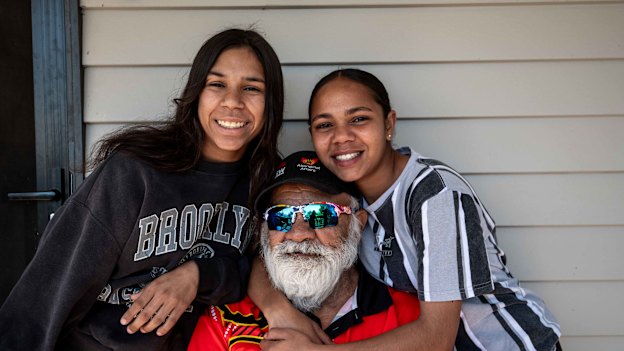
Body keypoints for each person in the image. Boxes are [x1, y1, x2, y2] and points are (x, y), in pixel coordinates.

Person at [0, 28, 284, 350]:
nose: (233, 102)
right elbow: (51, 286)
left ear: (271, 102)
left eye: (251, 88)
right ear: (196, 93)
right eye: (216, 84)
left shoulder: (268, 182)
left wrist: (198, 275)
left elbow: (256, 272)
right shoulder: (135, 171)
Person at [252, 69, 562, 351]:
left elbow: (436, 338)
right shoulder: (350, 200)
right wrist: (279, 310)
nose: (342, 136)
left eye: (358, 119)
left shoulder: (435, 194)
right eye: (325, 124)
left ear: (388, 123)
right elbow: (268, 254)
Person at [187, 151, 421, 351]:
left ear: (358, 225)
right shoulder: (227, 319)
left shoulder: (409, 318)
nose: (298, 233)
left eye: (321, 215)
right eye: (281, 217)